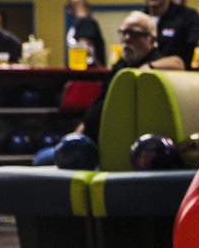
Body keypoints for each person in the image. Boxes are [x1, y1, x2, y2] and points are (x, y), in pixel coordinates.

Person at [32, 11, 183, 164]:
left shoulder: (154, 60)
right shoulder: (121, 65)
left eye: (134, 34)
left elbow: (178, 63)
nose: (127, 38)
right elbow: (97, 107)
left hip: (111, 148)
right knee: (42, 156)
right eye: (123, 33)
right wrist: (73, 138)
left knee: (42, 160)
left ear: (151, 39)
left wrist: (147, 67)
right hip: (89, 139)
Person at [66, 0, 107, 68]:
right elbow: (84, 50)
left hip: (90, 76)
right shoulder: (84, 23)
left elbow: (85, 50)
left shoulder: (86, 23)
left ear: (70, 11)